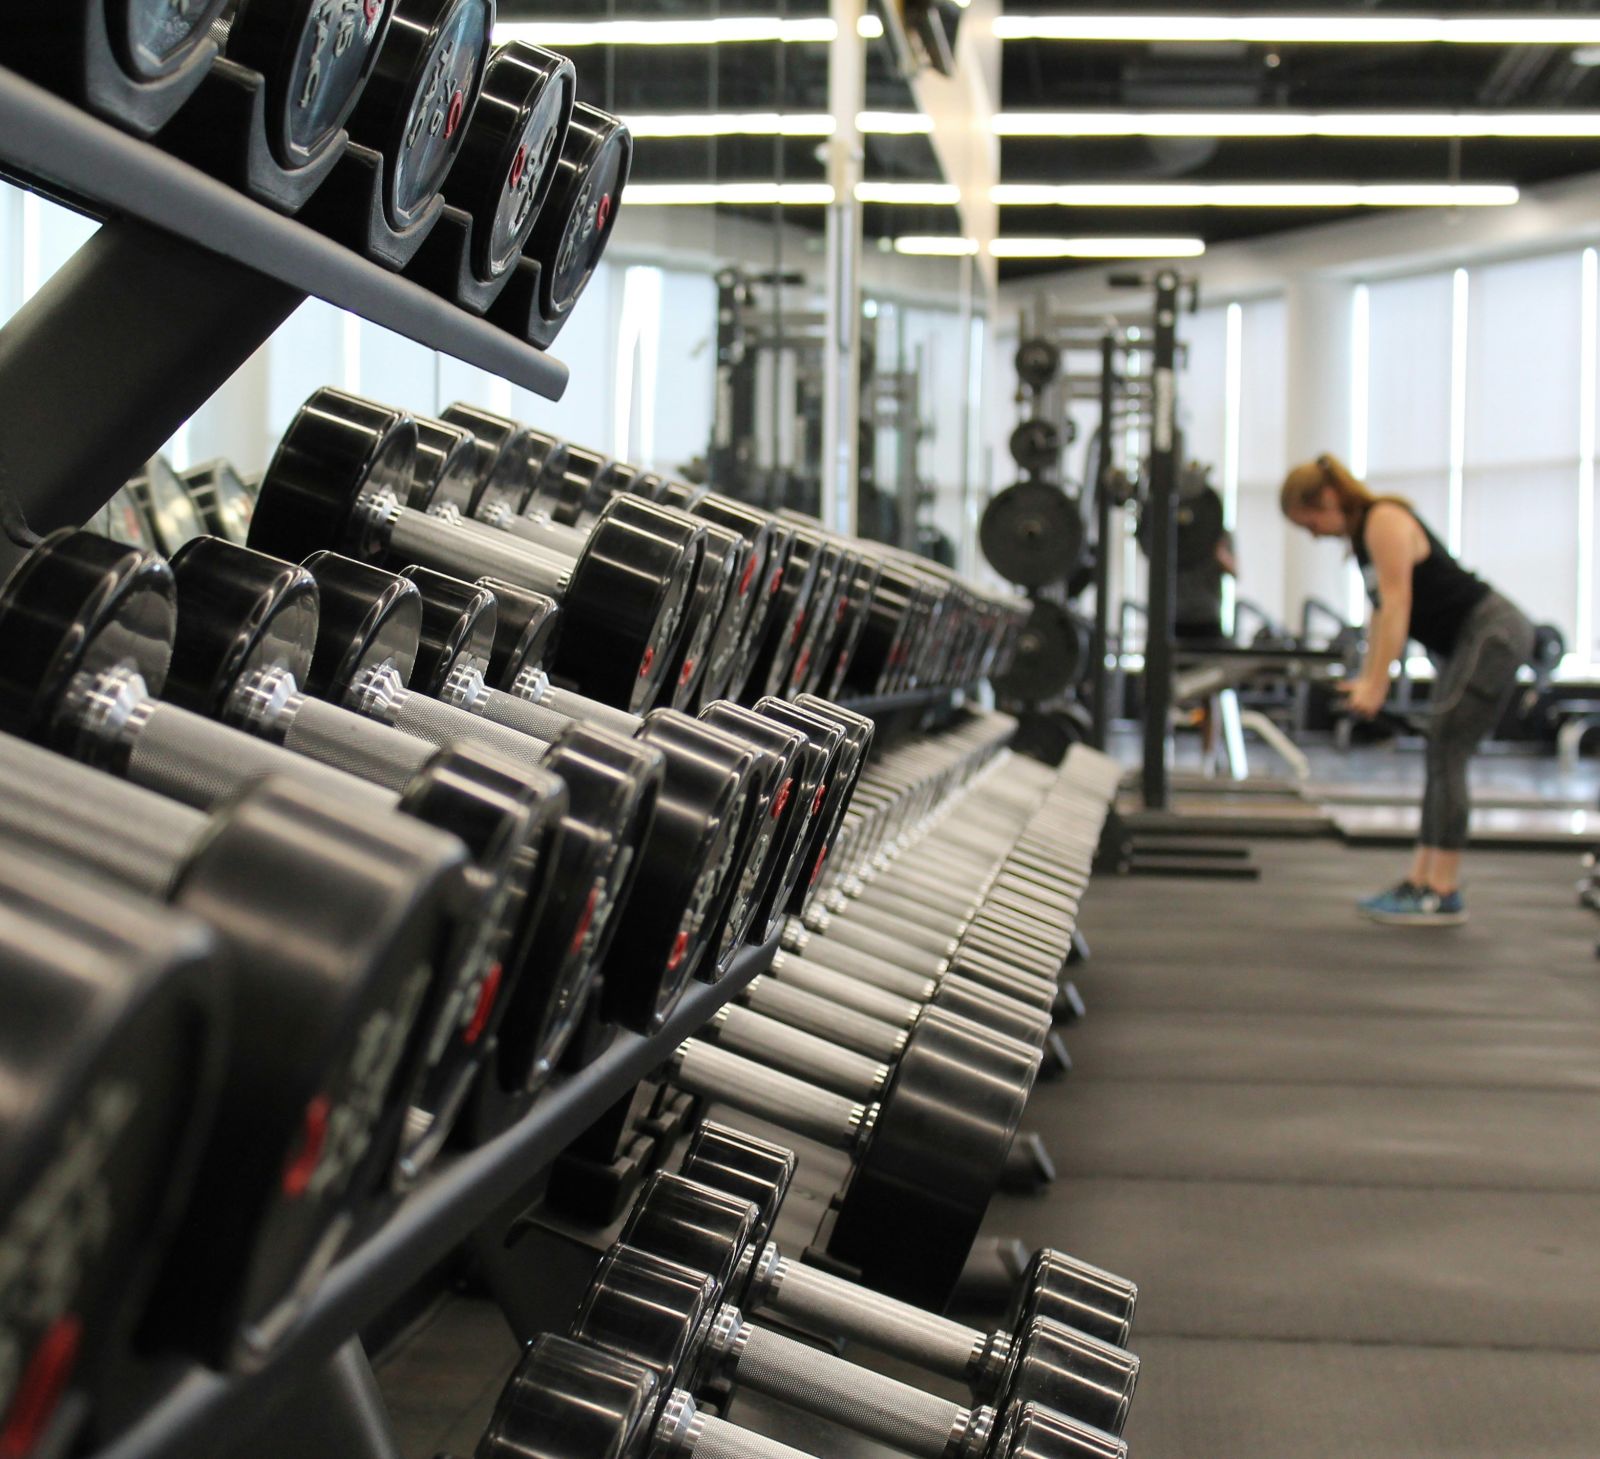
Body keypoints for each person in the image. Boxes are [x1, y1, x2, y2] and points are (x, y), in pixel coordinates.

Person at [1280, 453, 1535, 926]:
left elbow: (1398, 605)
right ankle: (1422, 880)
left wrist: (1378, 685)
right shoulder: (1363, 539)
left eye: (1310, 520)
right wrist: (1370, 678)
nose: (1313, 532)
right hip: (1466, 641)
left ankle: (1442, 888)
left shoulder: (1384, 519)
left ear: (1329, 498)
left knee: (1448, 748)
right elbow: (1380, 615)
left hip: (1491, 634)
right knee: (1440, 750)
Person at [1172, 473, 1236, 768]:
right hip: (1173, 622)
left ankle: (1208, 761)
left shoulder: (1220, 534)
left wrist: (1214, 550)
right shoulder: (1168, 531)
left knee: (1210, 694)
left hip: (1207, 622)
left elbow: (1235, 571)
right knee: (1162, 691)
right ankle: (1163, 759)